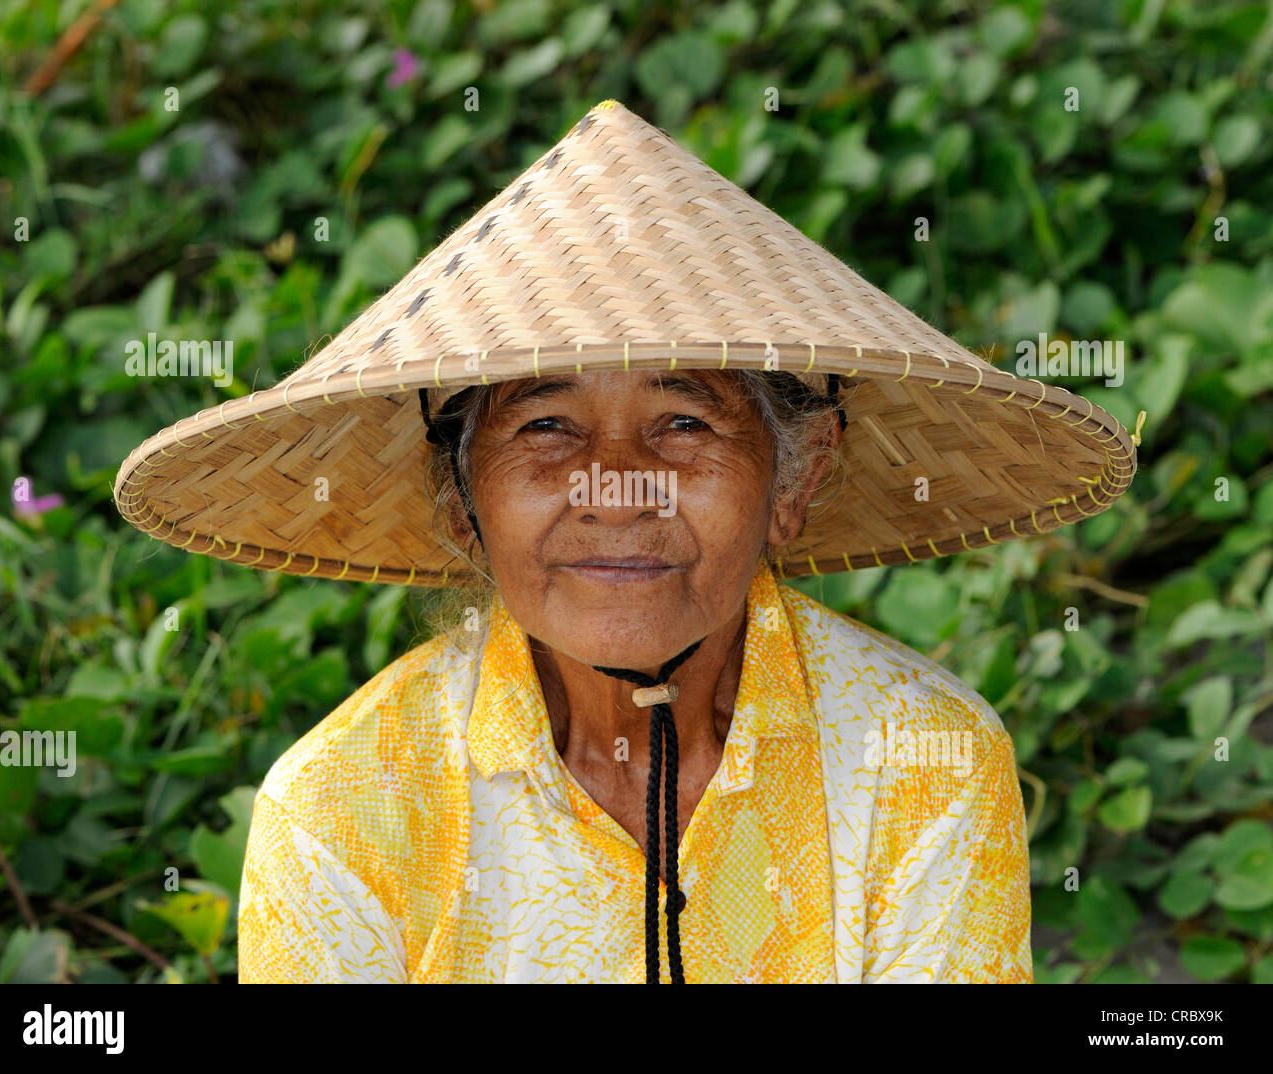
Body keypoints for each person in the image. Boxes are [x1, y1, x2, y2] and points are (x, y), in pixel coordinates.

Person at [114, 100, 1139, 982]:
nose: (614, 486)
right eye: (545, 427)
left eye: (684, 425)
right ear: (463, 498)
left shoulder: (928, 767)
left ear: (798, 477)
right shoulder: (341, 810)